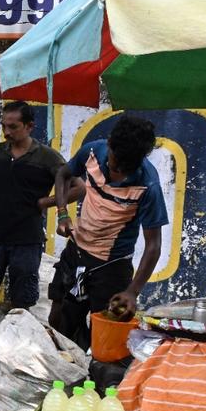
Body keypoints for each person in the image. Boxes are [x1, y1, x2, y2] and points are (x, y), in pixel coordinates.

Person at [0, 101, 75, 361]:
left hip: (28, 240)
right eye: (4, 126)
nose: (7, 132)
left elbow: (78, 187)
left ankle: (15, 360)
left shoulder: (47, 157)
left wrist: (48, 202)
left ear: (29, 126)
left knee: (22, 303)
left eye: (13, 127)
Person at [50, 116, 168, 350]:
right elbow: (63, 175)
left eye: (124, 170)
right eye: (114, 166)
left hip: (112, 268)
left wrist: (132, 292)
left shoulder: (149, 186)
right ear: (110, 145)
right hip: (75, 254)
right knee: (59, 325)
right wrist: (63, 214)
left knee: (106, 340)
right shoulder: (93, 151)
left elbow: (153, 246)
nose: (116, 175)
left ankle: (98, 384)